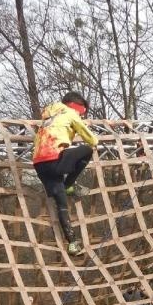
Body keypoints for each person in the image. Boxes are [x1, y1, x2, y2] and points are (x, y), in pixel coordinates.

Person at [32, 92, 99, 258]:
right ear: (75, 107)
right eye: (81, 114)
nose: (80, 116)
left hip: (39, 164)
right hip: (55, 159)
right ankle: (69, 184)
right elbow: (91, 139)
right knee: (87, 150)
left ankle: (73, 243)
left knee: (61, 203)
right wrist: (92, 139)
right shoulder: (70, 113)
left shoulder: (47, 119)